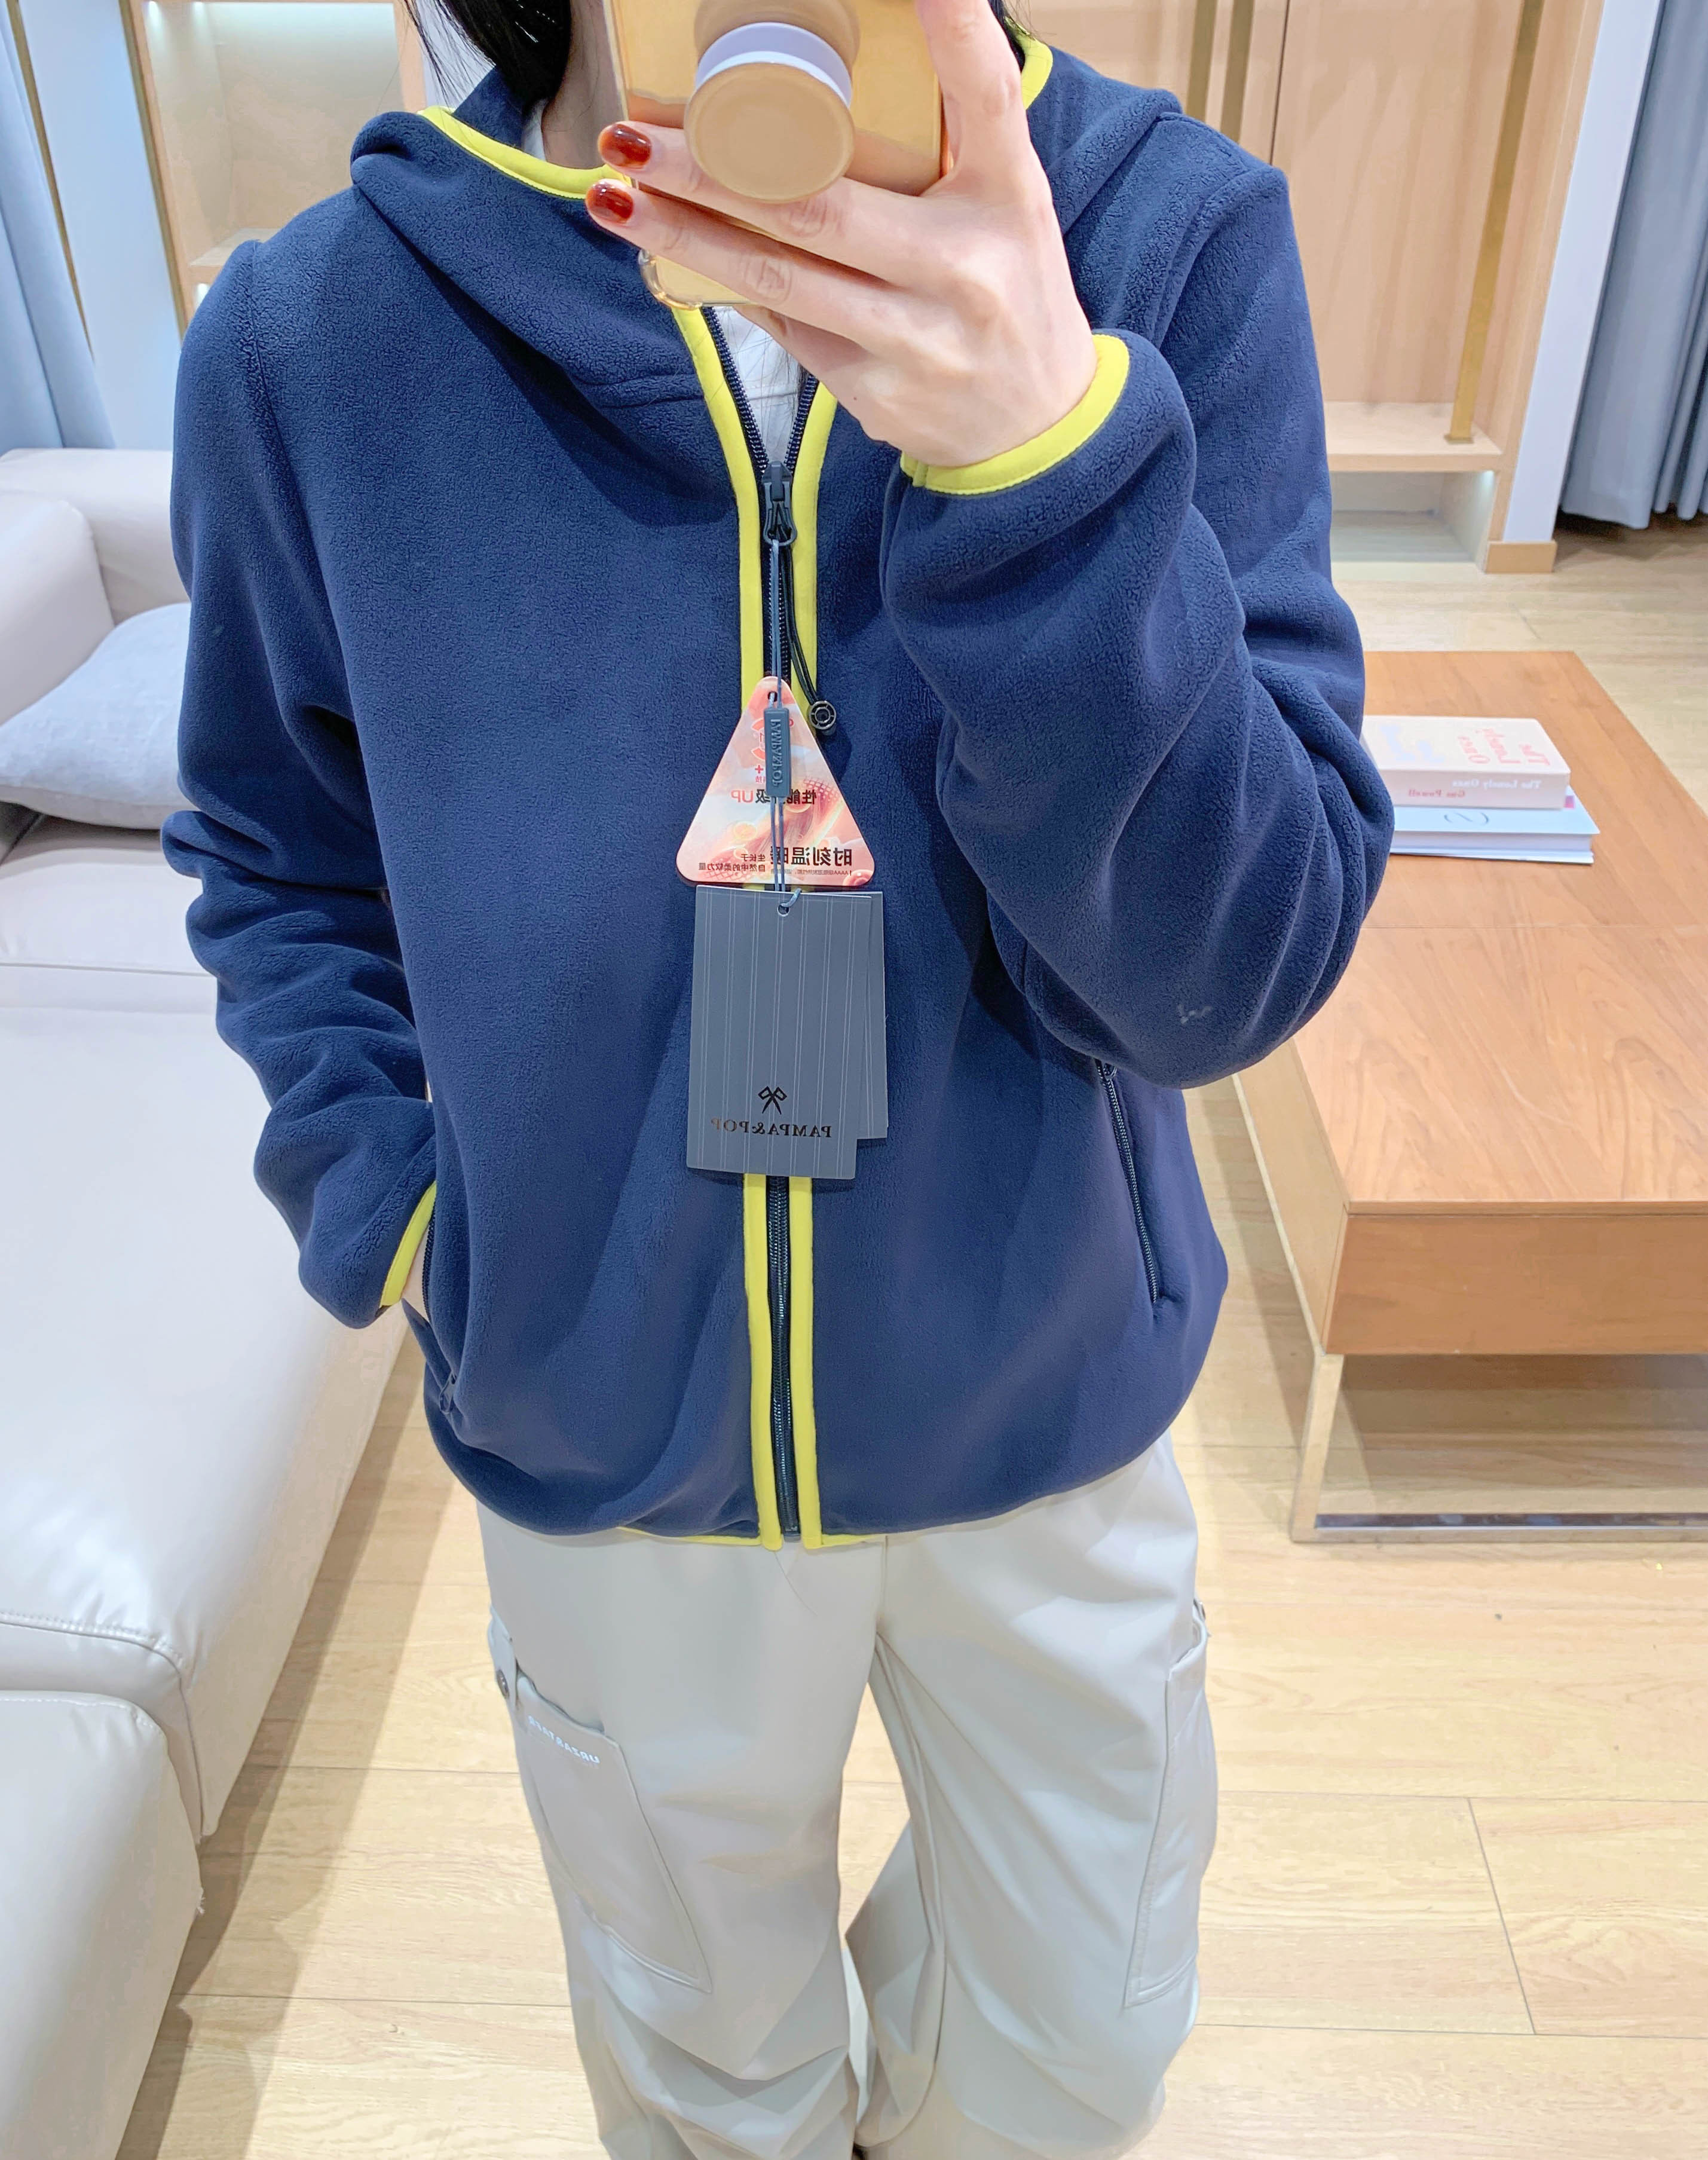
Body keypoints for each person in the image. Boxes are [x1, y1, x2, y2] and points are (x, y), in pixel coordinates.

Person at [165, 0, 1390, 2150]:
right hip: (605, 1432)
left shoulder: (1163, 241)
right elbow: (278, 851)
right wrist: (417, 1221)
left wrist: (1045, 463)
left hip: (1047, 1400)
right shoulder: (318, 337)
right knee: (704, 2076)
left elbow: (1236, 968)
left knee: (1072, 2054)